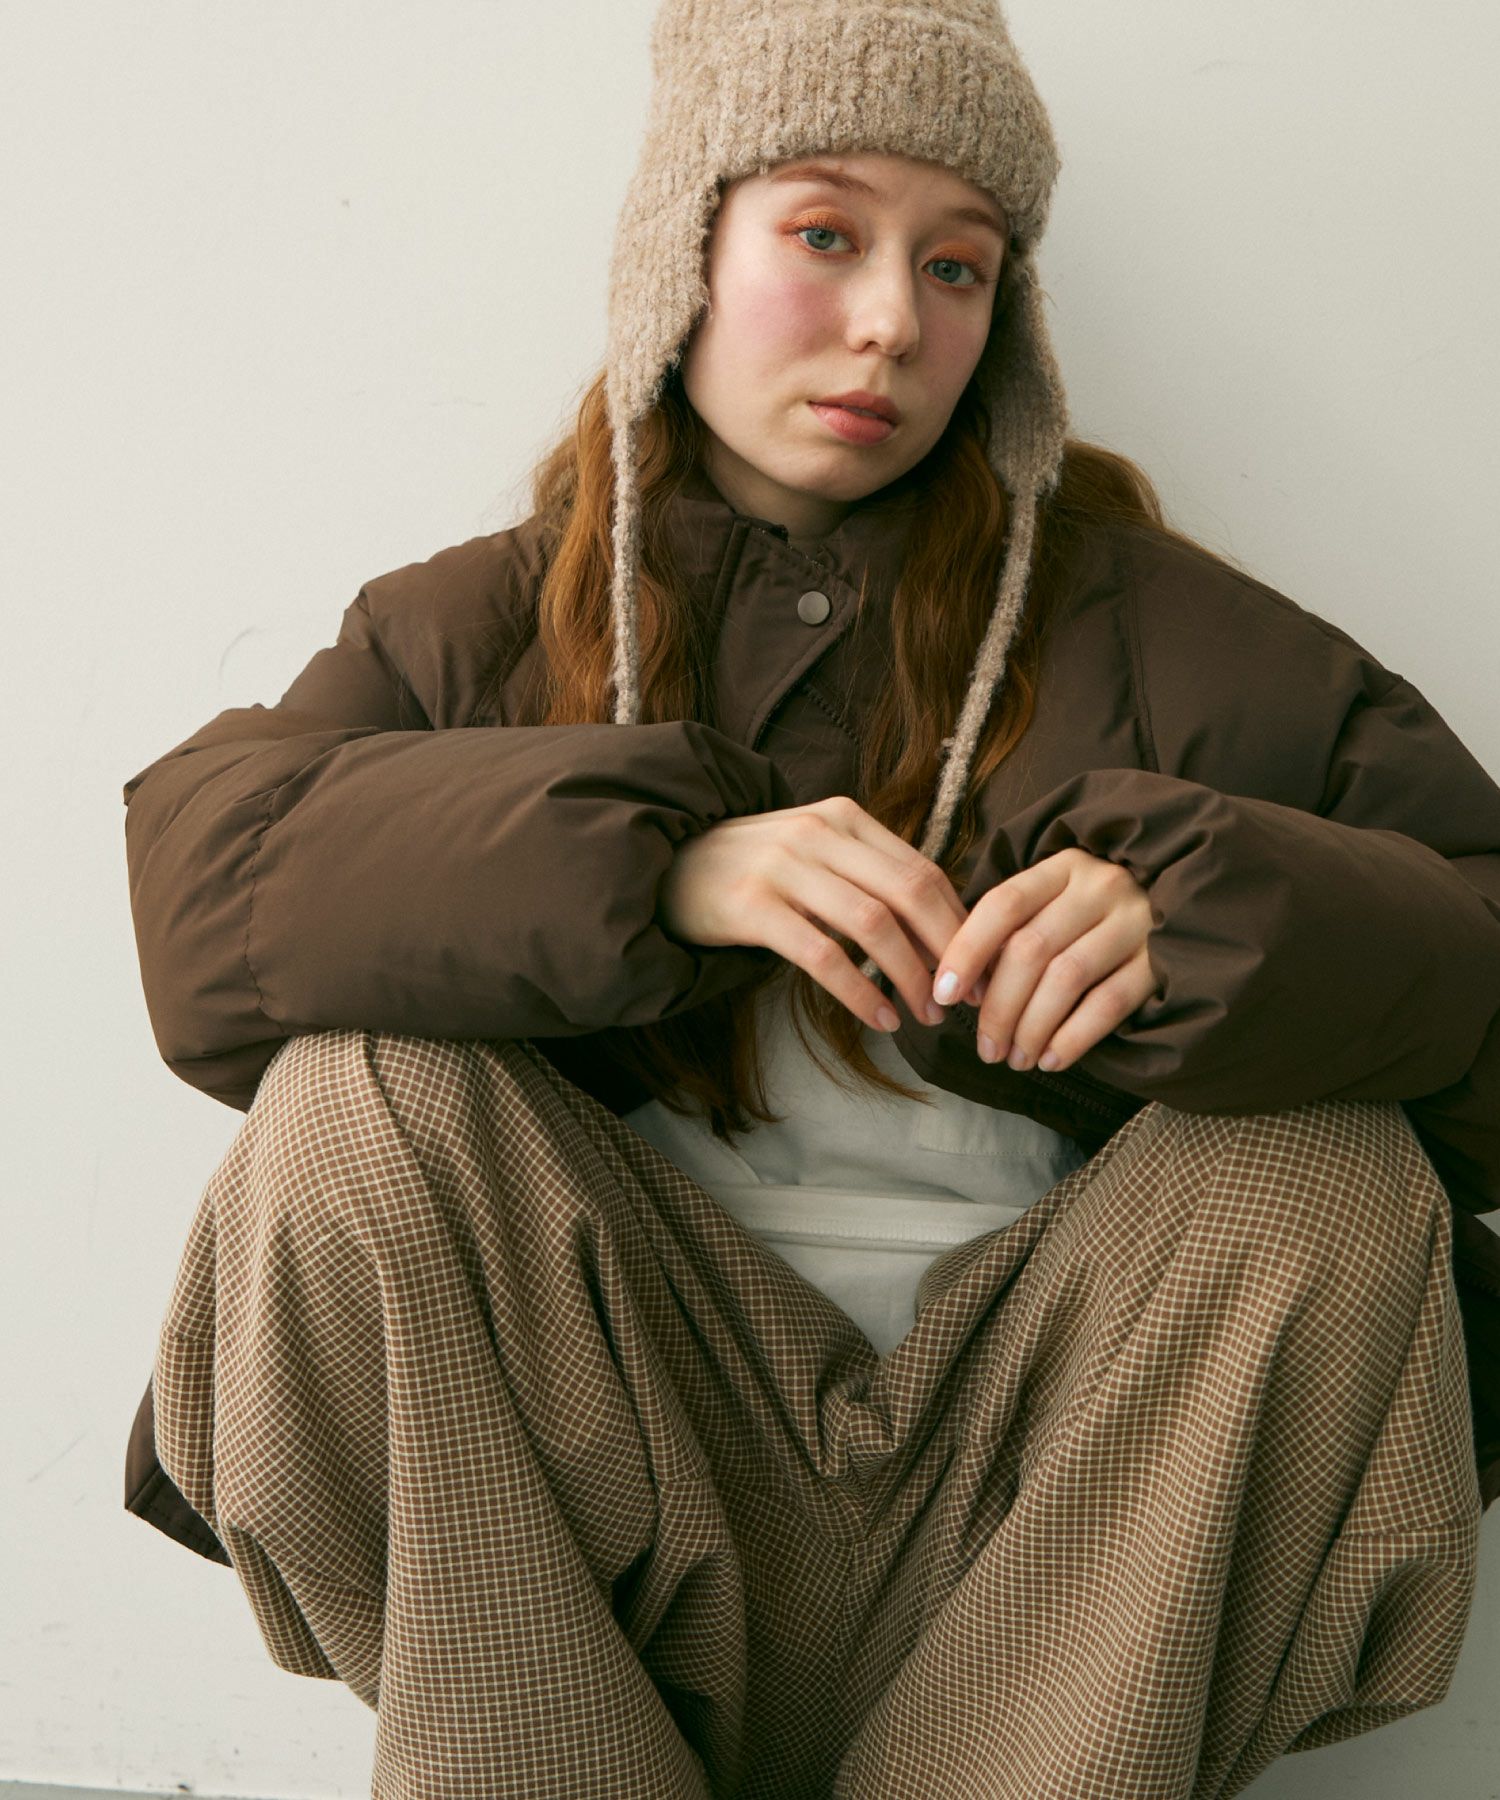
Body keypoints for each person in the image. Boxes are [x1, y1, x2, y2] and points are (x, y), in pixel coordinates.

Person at [119, 0, 1500, 1795]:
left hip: (1065, 1519)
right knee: (360, 1101)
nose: (892, 323)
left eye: (959, 267)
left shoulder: (1184, 639)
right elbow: (207, 893)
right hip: (600, 1484)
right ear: (680, 251)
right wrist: (649, 862)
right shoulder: (472, 627)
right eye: (827, 234)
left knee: (1324, 1171)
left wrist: (1217, 929)